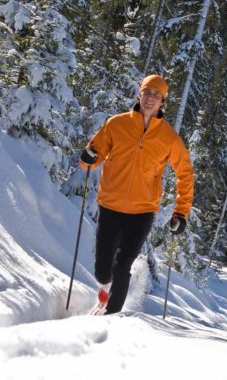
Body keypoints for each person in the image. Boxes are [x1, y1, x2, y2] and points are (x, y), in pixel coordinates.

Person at [79, 74, 195, 314]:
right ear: (139, 95)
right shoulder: (116, 124)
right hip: (110, 205)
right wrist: (89, 157)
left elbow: (185, 174)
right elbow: (94, 154)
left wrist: (181, 213)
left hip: (142, 212)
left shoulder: (169, 138)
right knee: (102, 269)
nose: (150, 98)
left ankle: (109, 320)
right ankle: (105, 289)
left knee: (122, 266)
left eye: (156, 95)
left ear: (163, 102)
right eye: (147, 92)